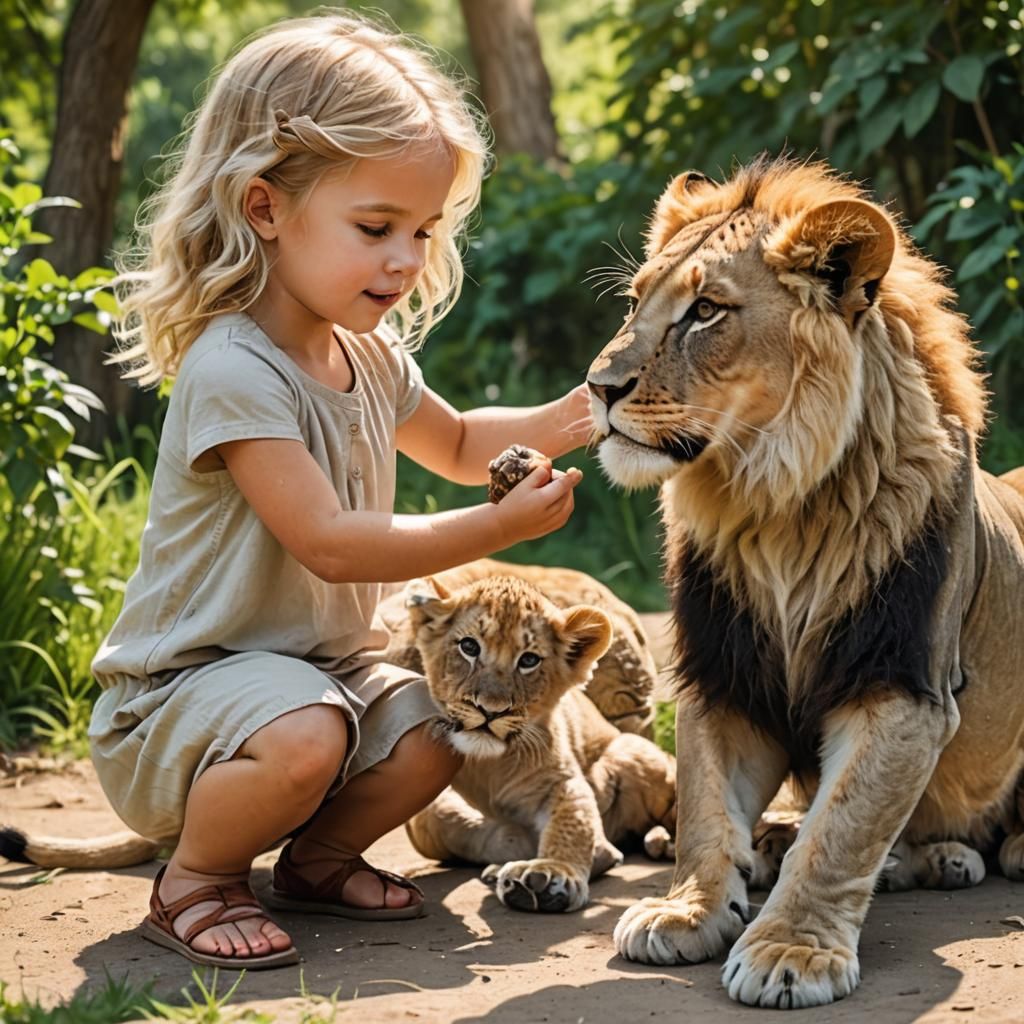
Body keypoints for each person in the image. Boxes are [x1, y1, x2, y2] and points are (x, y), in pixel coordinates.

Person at [89, 12, 592, 970]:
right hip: (178, 703)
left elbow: (455, 441)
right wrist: (491, 526)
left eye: (422, 231)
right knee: (311, 730)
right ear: (266, 208)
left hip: (317, 685)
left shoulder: (368, 354)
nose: (406, 260)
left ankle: (317, 861)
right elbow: (328, 540)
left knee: (436, 732)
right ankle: (195, 878)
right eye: (376, 228)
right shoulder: (234, 366)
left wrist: (575, 414)